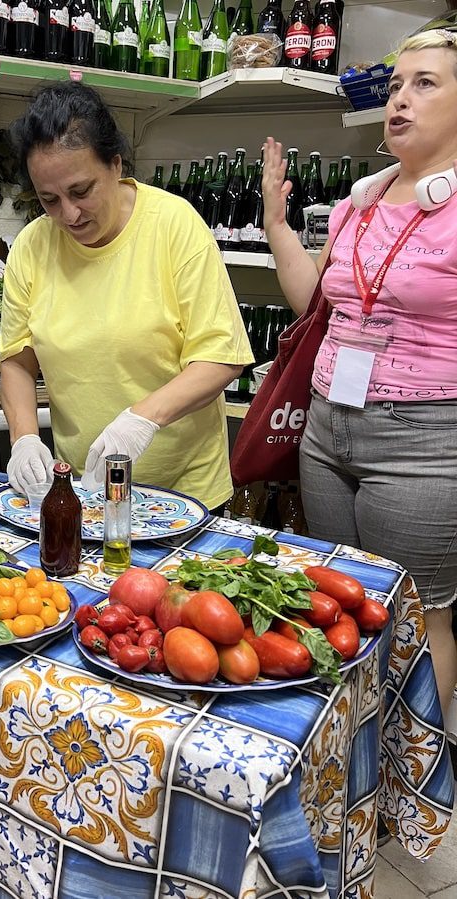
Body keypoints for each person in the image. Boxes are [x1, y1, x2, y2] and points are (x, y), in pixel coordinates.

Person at [262, 29, 457, 719]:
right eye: (397, 84)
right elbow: (316, 300)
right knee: (342, 601)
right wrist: (279, 226)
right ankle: (355, 762)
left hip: (424, 442)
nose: (400, 99)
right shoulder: (358, 203)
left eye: (425, 83)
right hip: (326, 428)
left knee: (417, 612)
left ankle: (414, 783)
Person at [0, 82, 253, 512]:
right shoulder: (32, 246)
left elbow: (221, 357)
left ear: (115, 165)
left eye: (81, 191)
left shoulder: (174, 225)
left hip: (181, 493)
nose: (69, 214)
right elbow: (18, 360)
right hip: (84, 489)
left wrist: (142, 419)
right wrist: (23, 437)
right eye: (49, 200)